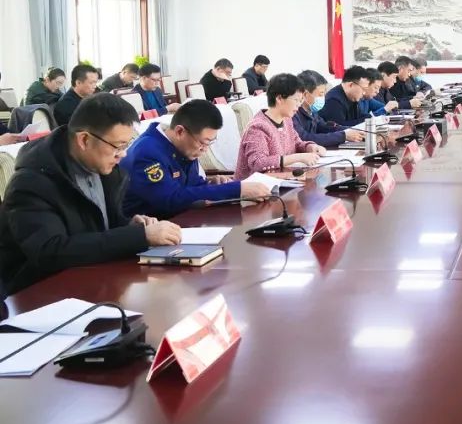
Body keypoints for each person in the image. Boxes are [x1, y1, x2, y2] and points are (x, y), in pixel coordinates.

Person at [0, 93, 182, 294]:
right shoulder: (31, 184)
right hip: (38, 293)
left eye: (126, 145)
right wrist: (139, 236)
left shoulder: (104, 169)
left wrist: (130, 225)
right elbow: (51, 252)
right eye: (118, 146)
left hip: (94, 277)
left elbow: (97, 227)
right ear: (84, 140)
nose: (123, 154)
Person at [121, 100, 271, 219]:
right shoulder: (147, 152)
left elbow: (192, 185)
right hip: (149, 230)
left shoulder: (184, 146)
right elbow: (171, 199)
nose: (204, 150)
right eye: (203, 143)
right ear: (180, 131)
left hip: (181, 221)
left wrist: (211, 184)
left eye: (209, 143)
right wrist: (237, 189)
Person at [234, 74, 325, 180]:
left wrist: (311, 147)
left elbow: (296, 143)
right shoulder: (257, 127)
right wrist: (298, 157)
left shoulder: (286, 120)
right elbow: (258, 163)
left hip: (281, 181)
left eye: (300, 101)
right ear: (279, 98)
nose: (299, 105)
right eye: (296, 100)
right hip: (255, 187)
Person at [293, 71, 364, 148]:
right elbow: (305, 138)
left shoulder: (312, 111)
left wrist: (352, 130)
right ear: (305, 95)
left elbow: (325, 127)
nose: (323, 97)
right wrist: (343, 136)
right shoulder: (293, 113)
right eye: (321, 94)